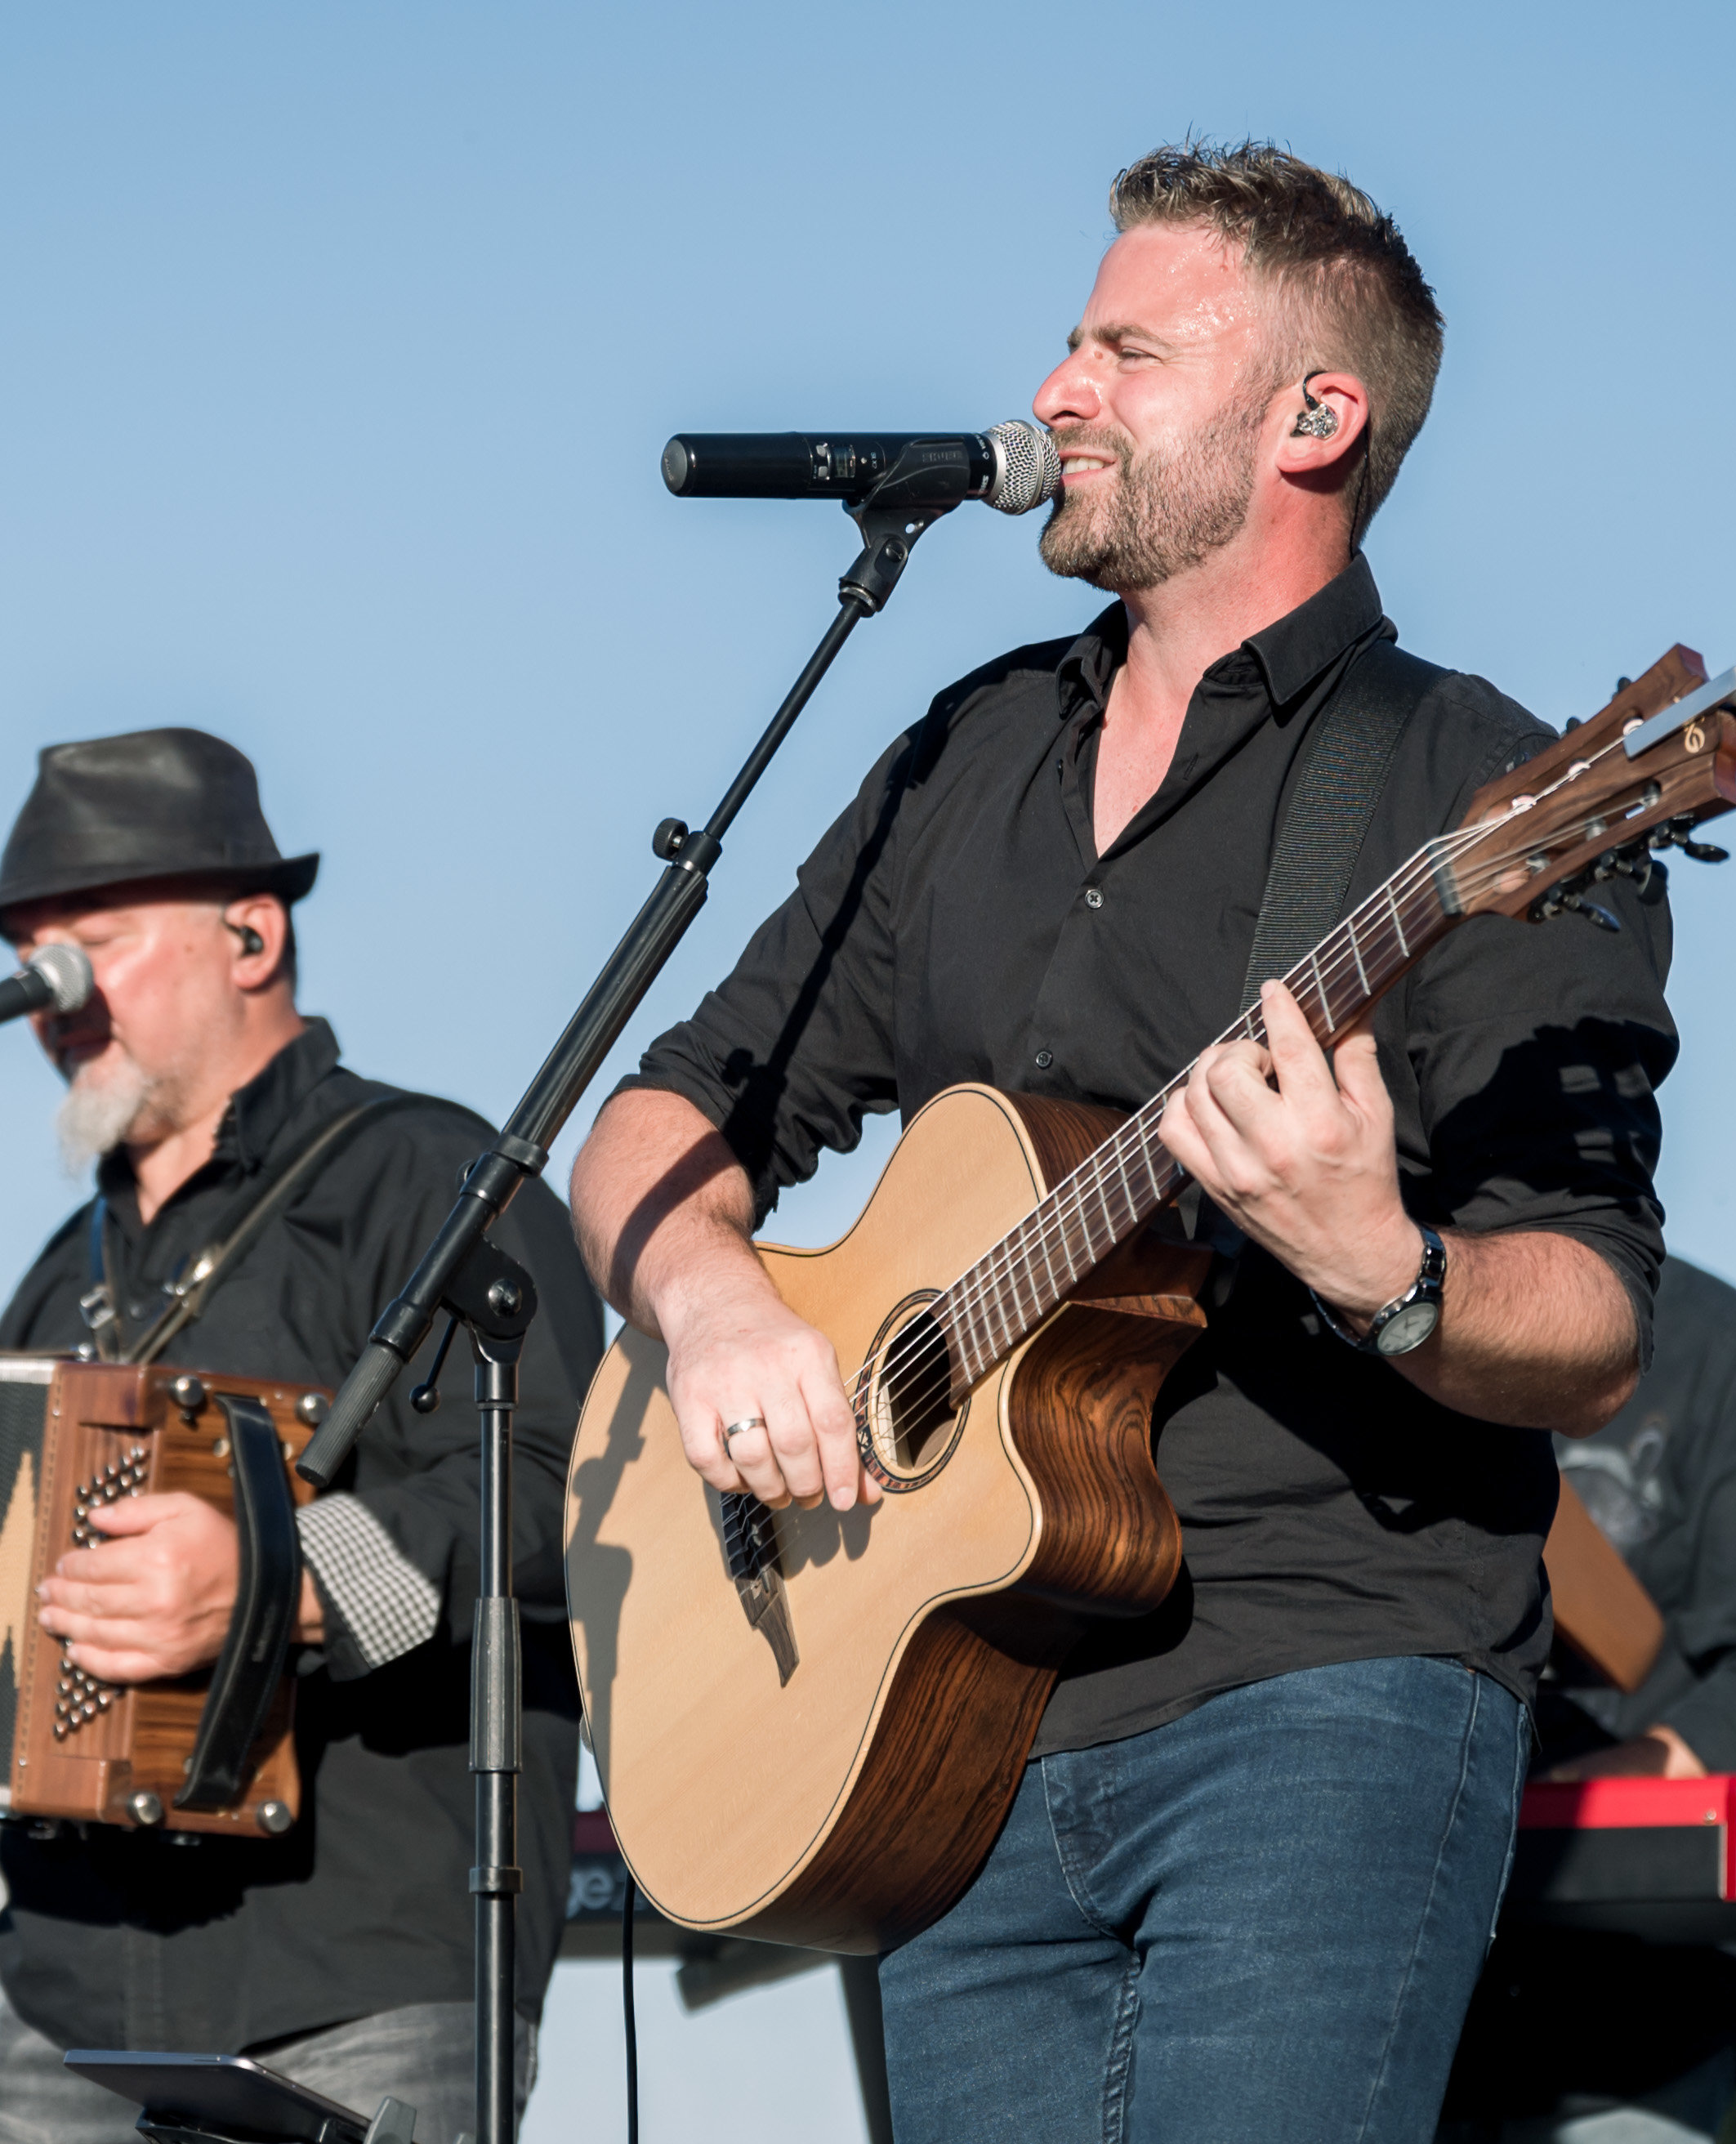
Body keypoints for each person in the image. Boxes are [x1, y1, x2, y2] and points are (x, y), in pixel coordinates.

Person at [565, 141, 1677, 2143]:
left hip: (1320, 1689)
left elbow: (1590, 1317)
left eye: (1125, 353)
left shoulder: (1481, 786)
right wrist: (716, 1306)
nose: (1055, 389)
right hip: (945, 1722)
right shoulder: (968, 750)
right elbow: (671, 1109)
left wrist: (1386, 1266)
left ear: (1311, 419)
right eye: (1071, 343)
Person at [0, 730, 601, 2144]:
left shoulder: (432, 1182)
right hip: (68, 2000)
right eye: (29, 965)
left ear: (251, 935)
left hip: (359, 1980)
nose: (50, 1000)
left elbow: (572, 1493)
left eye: (91, 949)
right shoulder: (61, 1274)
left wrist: (278, 1581)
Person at [1439, 1257, 1736, 2143]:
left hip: (1642, 2015)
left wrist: (1554, 1797)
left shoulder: (1718, 1344)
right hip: (1390, 1979)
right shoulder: (1356, 1325)